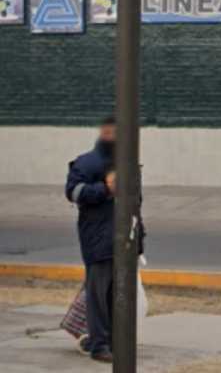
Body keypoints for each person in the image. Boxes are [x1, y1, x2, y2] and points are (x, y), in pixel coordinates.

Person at [64, 116, 117, 363]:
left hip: (121, 241)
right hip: (98, 239)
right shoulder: (88, 163)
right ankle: (99, 345)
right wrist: (105, 189)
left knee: (116, 296)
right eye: (109, 131)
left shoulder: (125, 162)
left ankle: (116, 341)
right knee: (98, 297)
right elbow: (73, 192)